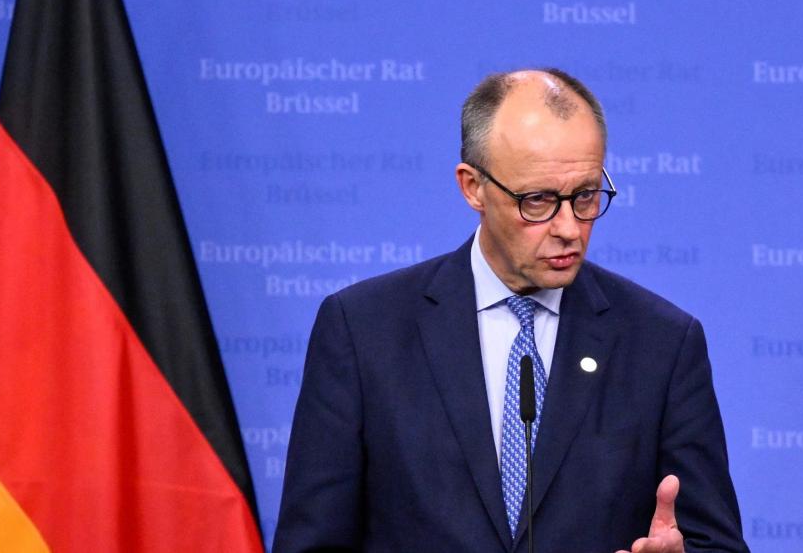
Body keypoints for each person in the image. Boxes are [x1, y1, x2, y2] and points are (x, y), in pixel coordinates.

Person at [274, 69, 747, 553]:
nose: (569, 228)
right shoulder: (363, 330)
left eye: (586, 196)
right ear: (472, 187)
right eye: (538, 200)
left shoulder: (662, 345)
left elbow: (717, 543)